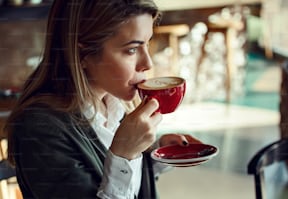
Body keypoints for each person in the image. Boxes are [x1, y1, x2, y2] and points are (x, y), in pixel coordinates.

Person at [5, 0, 203, 198]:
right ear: (82, 53)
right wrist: (124, 155)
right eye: (132, 49)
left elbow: (118, 184)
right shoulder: (39, 128)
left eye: (147, 43)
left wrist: (153, 155)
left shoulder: (113, 105)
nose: (147, 63)